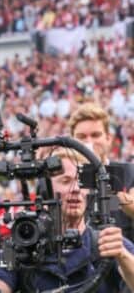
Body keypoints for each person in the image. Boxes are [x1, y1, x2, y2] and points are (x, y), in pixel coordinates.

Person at [0, 148, 134, 293]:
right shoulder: (21, 245)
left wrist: (123, 256)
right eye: (65, 180)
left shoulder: (107, 243)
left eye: (81, 182)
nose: (76, 189)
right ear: (45, 191)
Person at [68, 102, 134, 240]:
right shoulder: (62, 180)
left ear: (108, 139)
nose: (89, 143)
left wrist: (120, 197)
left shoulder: (129, 174)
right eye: (81, 137)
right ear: (71, 142)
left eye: (96, 135)